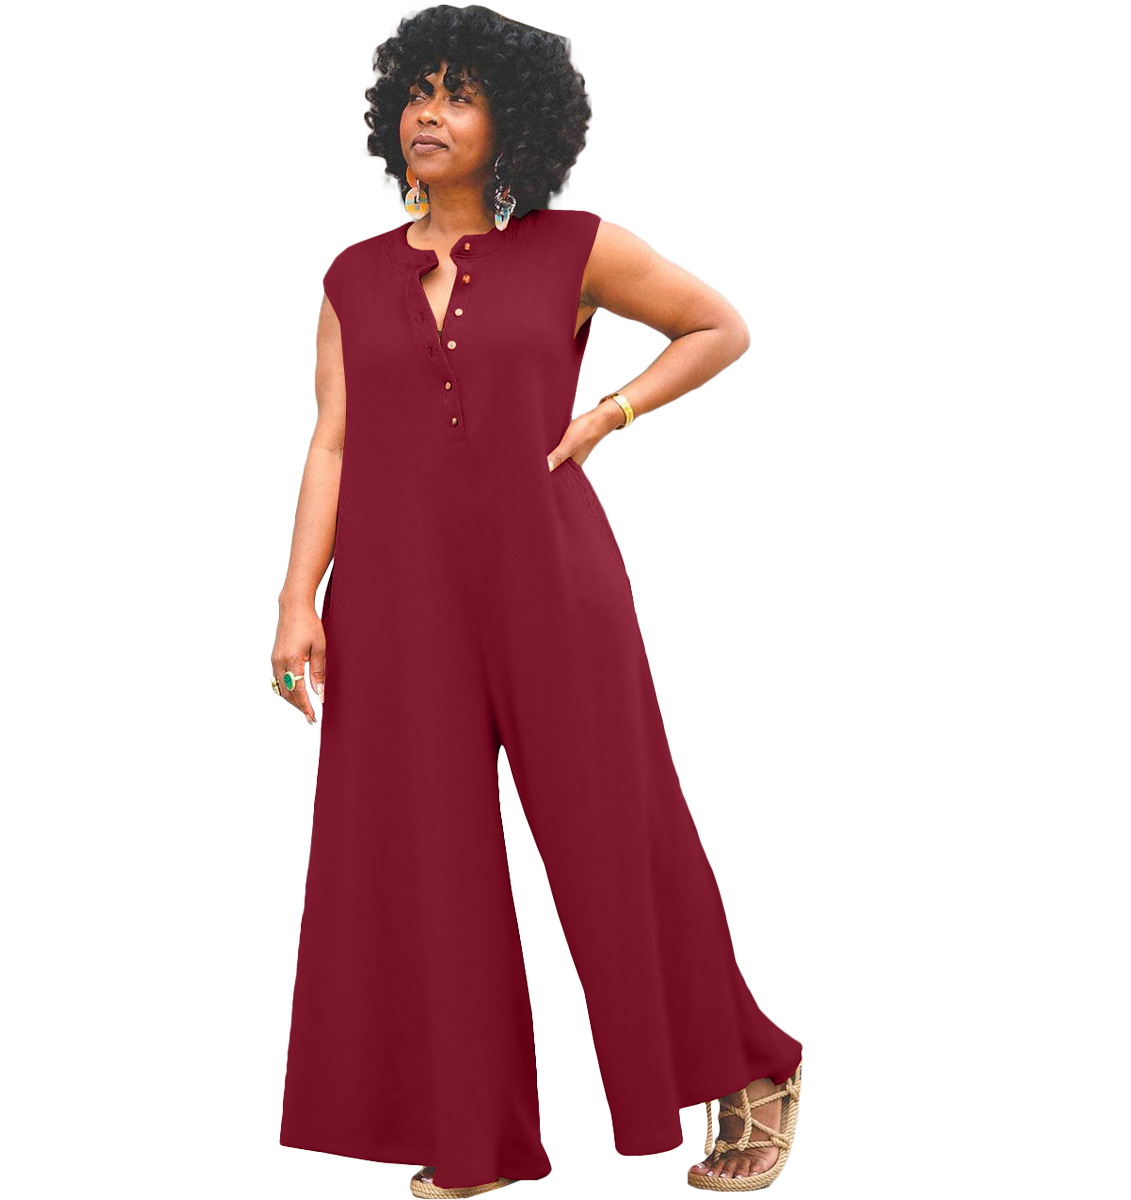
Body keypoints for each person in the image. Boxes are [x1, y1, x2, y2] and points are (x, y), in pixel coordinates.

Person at [272, 7, 803, 1196]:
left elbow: (719, 326)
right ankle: (476, 1136)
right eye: (417, 91)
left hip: (550, 580)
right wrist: (298, 597)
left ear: (513, 119)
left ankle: (752, 1064)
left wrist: (609, 413)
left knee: (619, 836)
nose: (429, 113)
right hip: (395, 599)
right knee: (422, 857)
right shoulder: (352, 275)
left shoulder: (575, 248)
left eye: (459, 94)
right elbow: (334, 441)